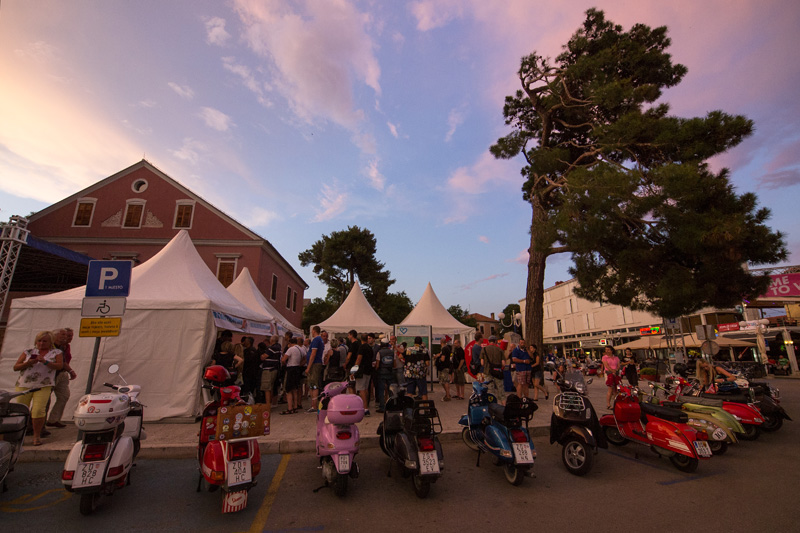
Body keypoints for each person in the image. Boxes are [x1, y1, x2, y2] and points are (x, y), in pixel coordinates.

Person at [12, 331, 64, 446]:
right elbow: (16, 367)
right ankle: (20, 435)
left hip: (44, 385)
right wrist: (28, 363)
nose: (41, 343)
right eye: (39, 341)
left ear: (50, 342)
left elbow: (59, 366)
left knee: (38, 410)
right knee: (21, 411)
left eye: (44, 341)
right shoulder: (28, 352)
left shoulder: (56, 352)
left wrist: (45, 362)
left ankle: (36, 435)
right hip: (24, 384)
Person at [46, 327, 77, 428]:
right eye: (66, 335)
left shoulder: (65, 346)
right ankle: (36, 423)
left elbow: (65, 361)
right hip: (52, 374)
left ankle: (53, 419)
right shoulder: (52, 346)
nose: (68, 338)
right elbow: (61, 362)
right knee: (45, 399)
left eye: (70, 336)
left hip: (62, 373)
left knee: (64, 396)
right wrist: (71, 371)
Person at [280, 337, 305, 415]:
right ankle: (295, 406)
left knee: (288, 389)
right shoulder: (301, 349)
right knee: (295, 389)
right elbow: (305, 358)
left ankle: (290, 408)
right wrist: (300, 364)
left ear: (290, 343)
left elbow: (283, 359)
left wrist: (284, 363)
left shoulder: (291, 349)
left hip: (291, 368)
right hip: (297, 368)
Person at [481, 335, 508, 405]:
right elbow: (503, 364)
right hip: (497, 372)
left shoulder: (484, 349)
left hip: (487, 372)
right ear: (495, 341)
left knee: (490, 390)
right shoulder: (499, 350)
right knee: (501, 390)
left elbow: (482, 363)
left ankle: (491, 406)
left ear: (488, 341)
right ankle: (504, 406)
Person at [305, 326, 326, 413]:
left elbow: (313, 354)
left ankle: (314, 405)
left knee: (313, 384)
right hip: (316, 363)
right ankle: (313, 404)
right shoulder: (320, 340)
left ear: (314, 331)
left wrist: (308, 367)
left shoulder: (316, 340)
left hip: (314, 364)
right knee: (313, 384)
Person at [354, 333, 375, 416]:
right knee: (366, 389)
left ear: (360, 339)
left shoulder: (362, 347)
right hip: (368, 370)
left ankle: (365, 408)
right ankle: (365, 406)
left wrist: (354, 370)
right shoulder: (370, 348)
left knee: (361, 389)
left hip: (361, 371)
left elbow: (359, 359)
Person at [260, 335, 282, 406]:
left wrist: (262, 355)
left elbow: (263, 357)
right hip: (275, 369)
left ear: (271, 341)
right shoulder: (278, 348)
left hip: (269, 370)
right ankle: (272, 403)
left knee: (267, 388)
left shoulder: (272, 348)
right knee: (272, 386)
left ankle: (267, 405)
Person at [374, 337, 395, 413]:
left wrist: (376, 368)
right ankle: (392, 406)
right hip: (390, 373)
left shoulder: (379, 352)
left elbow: (377, 364)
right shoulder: (392, 352)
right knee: (391, 390)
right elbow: (394, 364)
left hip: (382, 373)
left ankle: (382, 407)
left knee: (381, 390)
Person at [601, 346, 621, 410]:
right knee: (610, 389)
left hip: (616, 373)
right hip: (608, 373)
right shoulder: (604, 357)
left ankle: (616, 403)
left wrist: (616, 371)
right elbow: (606, 365)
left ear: (612, 350)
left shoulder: (616, 358)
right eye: (606, 350)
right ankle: (608, 404)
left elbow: (618, 365)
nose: (607, 351)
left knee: (616, 389)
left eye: (608, 350)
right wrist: (612, 371)